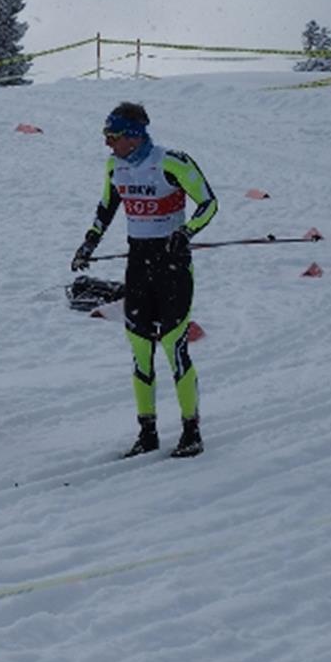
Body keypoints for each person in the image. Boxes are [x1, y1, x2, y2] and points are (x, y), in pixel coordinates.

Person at [71, 102, 218, 458]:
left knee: (173, 346)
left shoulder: (171, 162)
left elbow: (209, 203)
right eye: (106, 136)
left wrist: (186, 232)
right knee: (140, 351)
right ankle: (147, 431)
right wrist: (88, 243)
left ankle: (191, 431)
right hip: (138, 265)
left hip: (173, 267)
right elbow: (105, 209)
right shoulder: (114, 166)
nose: (108, 144)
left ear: (134, 136)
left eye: (114, 137)